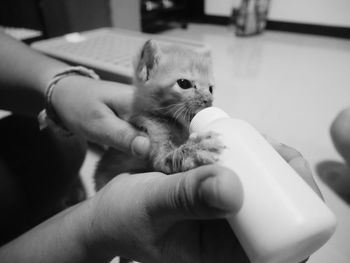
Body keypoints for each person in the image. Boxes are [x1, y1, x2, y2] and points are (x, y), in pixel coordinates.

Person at [0, 30, 320, 262]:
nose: (207, 96)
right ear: (147, 71)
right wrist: (93, 227)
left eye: (209, 88)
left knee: (59, 145)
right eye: (186, 84)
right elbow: (165, 158)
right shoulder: (150, 119)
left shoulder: (177, 116)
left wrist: (59, 85)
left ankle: (64, 206)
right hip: (113, 186)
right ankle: (75, 215)